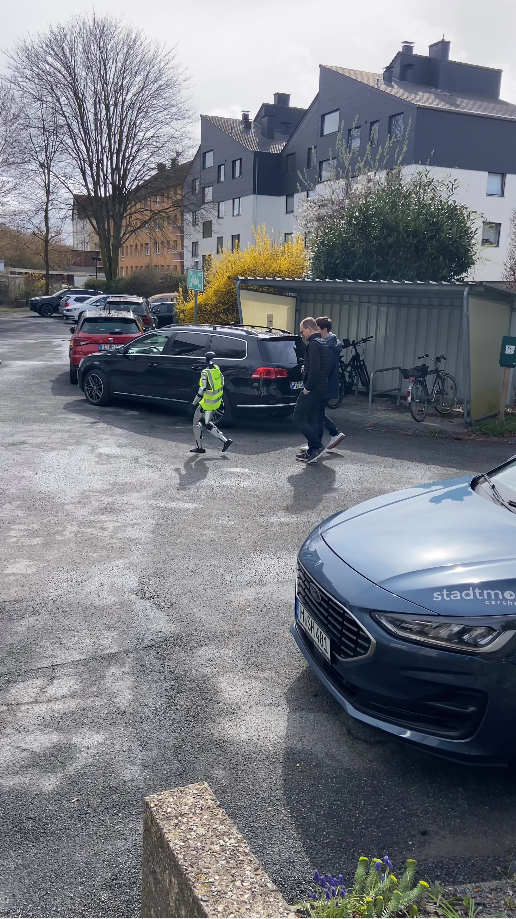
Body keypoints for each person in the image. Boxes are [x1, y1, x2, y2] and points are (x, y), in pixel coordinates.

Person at [293, 317, 331, 464]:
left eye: (303, 332)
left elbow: (315, 370)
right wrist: (306, 367)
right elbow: (320, 366)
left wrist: (307, 388)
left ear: (309, 329)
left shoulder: (313, 344)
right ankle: (312, 452)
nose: (302, 335)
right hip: (322, 386)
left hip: (314, 387)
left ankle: (316, 446)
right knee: (312, 418)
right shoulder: (322, 342)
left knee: (297, 416)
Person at [191, 352, 233, 454]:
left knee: (196, 424)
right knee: (208, 423)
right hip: (216, 401)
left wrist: (194, 402)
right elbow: (222, 382)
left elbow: (203, 388)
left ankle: (200, 448)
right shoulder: (217, 369)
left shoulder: (205, 372)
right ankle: (225, 441)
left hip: (205, 403)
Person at [316, 316, 346, 450]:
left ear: (325, 329)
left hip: (324, 385)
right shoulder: (331, 343)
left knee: (317, 413)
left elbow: (326, 368)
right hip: (327, 384)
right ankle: (320, 442)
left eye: (317, 329)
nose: (316, 332)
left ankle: (330, 435)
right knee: (318, 412)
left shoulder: (328, 346)